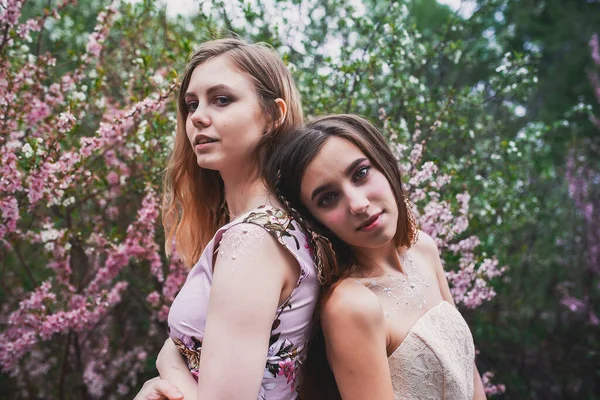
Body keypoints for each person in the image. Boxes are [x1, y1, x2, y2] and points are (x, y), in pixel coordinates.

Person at [134, 37, 320, 400]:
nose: (198, 117)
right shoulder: (277, 226)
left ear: (273, 115)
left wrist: (169, 362)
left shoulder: (253, 239)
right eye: (191, 105)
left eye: (222, 99)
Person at [264, 114, 487, 399]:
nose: (358, 204)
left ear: (384, 164)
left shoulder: (423, 250)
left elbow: (470, 377)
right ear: (315, 220)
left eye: (361, 173)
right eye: (328, 198)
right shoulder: (351, 306)